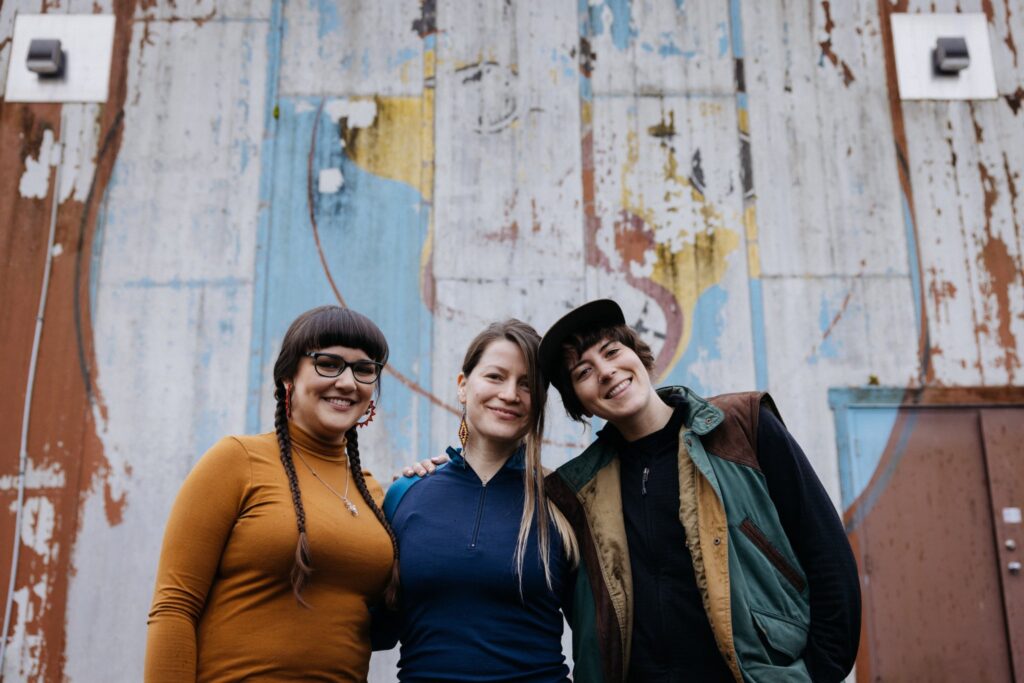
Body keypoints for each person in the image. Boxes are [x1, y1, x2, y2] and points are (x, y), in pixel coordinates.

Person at [538, 299, 861, 683]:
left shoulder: (745, 427)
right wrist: (455, 466)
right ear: (579, 403)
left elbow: (826, 555)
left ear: (638, 356)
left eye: (612, 352)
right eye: (583, 372)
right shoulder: (576, 491)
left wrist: (819, 672)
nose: (606, 372)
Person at [145, 306, 399, 682]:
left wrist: (431, 484)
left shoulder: (372, 492)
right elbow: (174, 607)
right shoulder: (236, 461)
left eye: (364, 369)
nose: (347, 382)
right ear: (287, 378)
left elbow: (377, 626)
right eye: (328, 363)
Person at [375, 319, 579, 682]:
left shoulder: (563, 501)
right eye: (495, 377)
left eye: (527, 384)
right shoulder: (405, 494)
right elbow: (377, 629)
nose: (510, 394)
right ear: (463, 386)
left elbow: (602, 634)